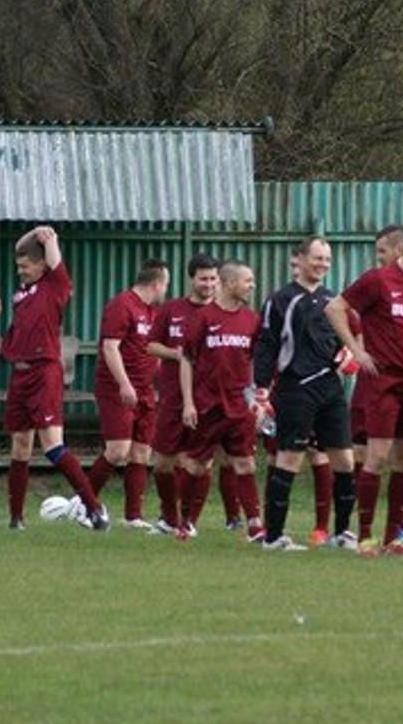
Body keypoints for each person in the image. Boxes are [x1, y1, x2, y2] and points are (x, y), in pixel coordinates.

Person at [326, 228, 403, 555]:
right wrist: (355, 350)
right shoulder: (378, 281)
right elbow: (334, 309)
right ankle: (365, 535)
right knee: (376, 456)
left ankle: (395, 537)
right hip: (384, 381)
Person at [254, 236, 357, 552]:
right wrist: (260, 390)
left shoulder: (333, 300)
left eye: (327, 259)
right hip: (295, 389)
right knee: (289, 458)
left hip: (330, 388)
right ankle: (274, 537)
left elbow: (347, 343)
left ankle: (341, 533)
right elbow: (267, 345)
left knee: (345, 460)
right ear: (298, 259)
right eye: (317, 258)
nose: (323, 264)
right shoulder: (280, 299)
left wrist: (347, 356)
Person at [0, 225, 107, 531]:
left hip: (44, 373)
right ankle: (16, 518)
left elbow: (57, 263)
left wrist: (50, 240)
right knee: (20, 446)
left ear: (42, 264)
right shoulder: (21, 293)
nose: (20, 271)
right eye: (17, 266)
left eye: (26, 266)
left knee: (51, 445)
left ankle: (93, 508)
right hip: (19, 376)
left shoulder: (55, 286)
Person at [180, 259, 265, 543]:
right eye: (247, 281)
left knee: (245, 464)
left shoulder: (252, 320)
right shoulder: (203, 317)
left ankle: (255, 526)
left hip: (240, 405)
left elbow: (254, 362)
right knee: (197, 465)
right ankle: (186, 522)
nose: (251, 286)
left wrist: (257, 399)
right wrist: (189, 402)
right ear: (229, 283)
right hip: (208, 404)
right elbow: (187, 359)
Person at [87, 258, 170, 528]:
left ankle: (132, 516)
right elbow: (110, 347)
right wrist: (124, 383)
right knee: (117, 450)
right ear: (157, 283)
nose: (165, 290)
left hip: (145, 390)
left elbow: (151, 353)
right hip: (116, 388)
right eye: (165, 285)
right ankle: (85, 503)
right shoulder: (122, 305)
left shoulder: (153, 312)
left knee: (141, 453)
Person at [146, 252, 219, 536]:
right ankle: (168, 516)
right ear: (191, 279)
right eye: (203, 279)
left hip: (209, 399)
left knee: (202, 462)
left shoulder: (224, 313)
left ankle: (189, 521)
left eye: (213, 279)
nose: (209, 284)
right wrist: (177, 355)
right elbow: (150, 346)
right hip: (173, 396)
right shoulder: (172, 310)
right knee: (163, 462)